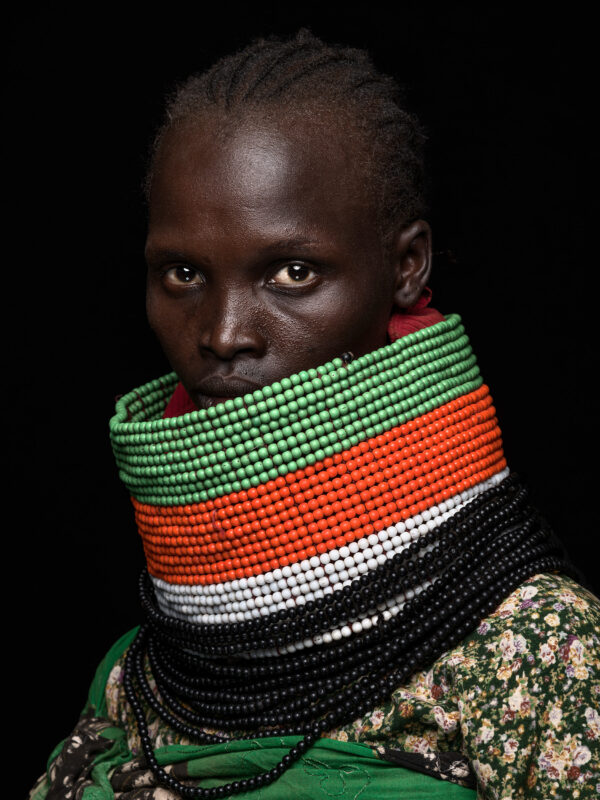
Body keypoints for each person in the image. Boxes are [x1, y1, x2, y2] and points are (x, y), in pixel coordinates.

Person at [30, 30, 599, 800]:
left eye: (293, 272)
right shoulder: (142, 674)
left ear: (407, 268)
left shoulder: (534, 646)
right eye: (183, 272)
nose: (224, 332)